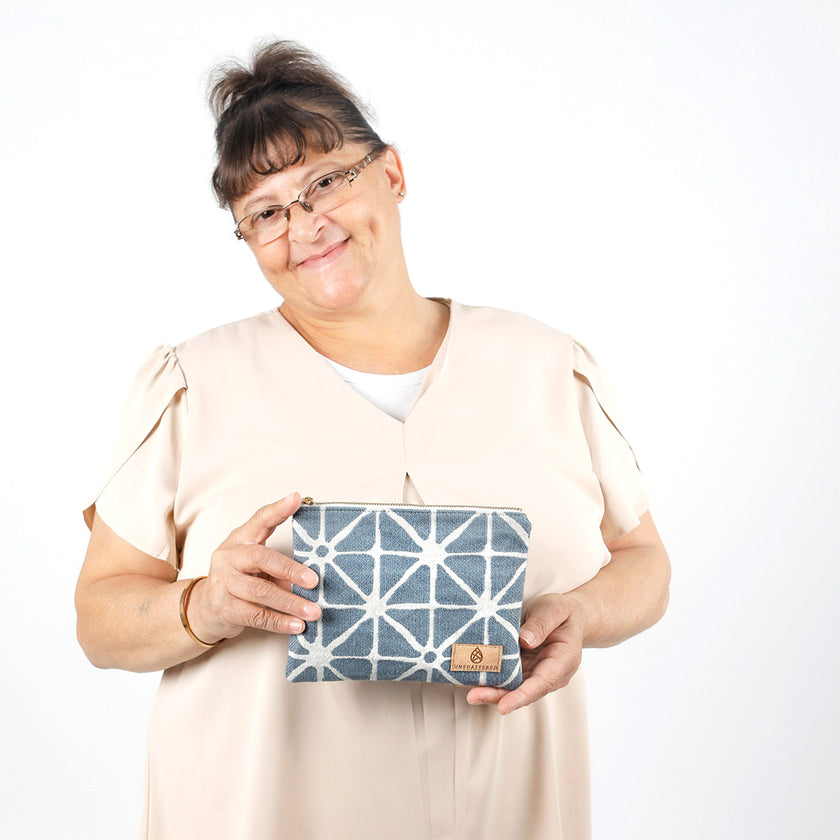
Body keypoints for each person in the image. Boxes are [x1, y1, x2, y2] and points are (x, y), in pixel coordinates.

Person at [75, 40, 670, 840]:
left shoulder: (546, 366)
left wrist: (582, 615)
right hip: (258, 813)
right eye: (267, 212)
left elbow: (645, 564)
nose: (306, 224)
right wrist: (203, 605)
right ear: (249, 240)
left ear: (391, 173)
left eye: (326, 180)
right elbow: (99, 614)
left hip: (502, 812)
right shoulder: (193, 384)